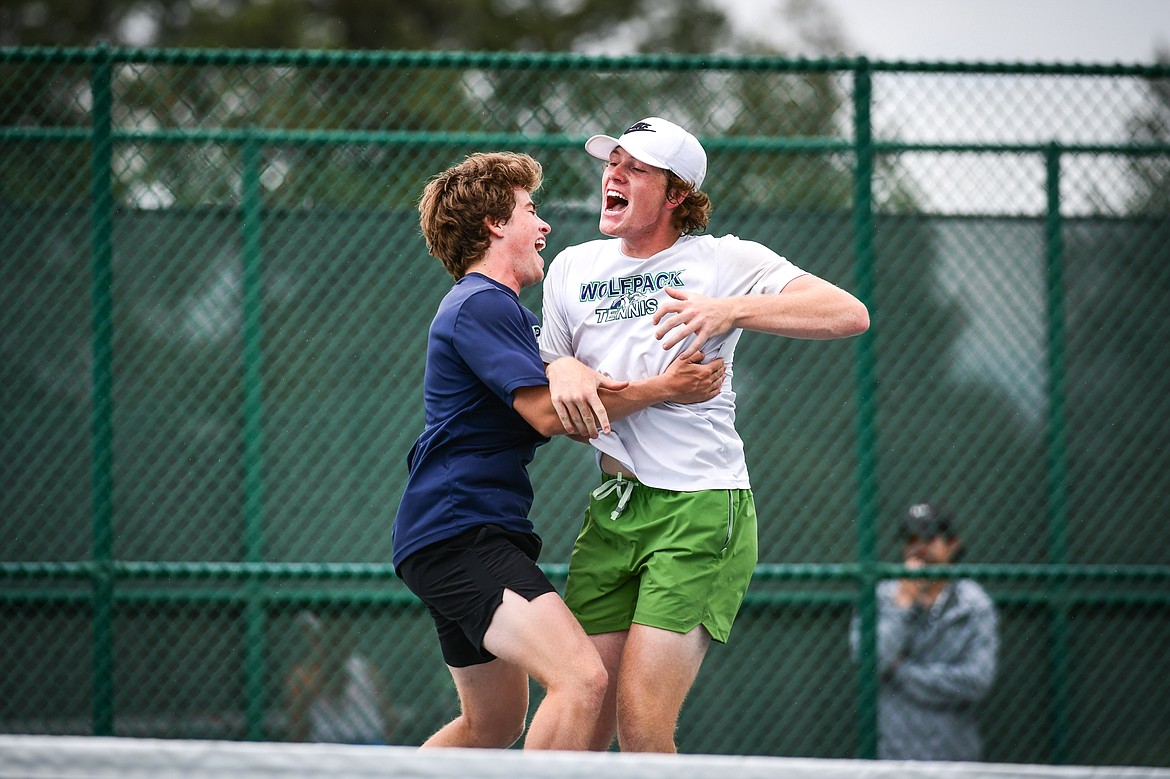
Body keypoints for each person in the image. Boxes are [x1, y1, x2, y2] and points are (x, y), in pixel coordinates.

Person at [537, 117, 870, 753]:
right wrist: (566, 365)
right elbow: (555, 377)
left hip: (700, 507)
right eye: (613, 163)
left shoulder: (722, 260)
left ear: (677, 194)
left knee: (641, 724)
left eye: (636, 168)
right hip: (614, 510)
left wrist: (730, 309)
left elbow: (847, 313)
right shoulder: (572, 269)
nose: (614, 175)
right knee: (581, 718)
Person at [392, 151, 725, 751]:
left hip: (449, 534)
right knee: (582, 680)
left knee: (489, 725)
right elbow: (550, 413)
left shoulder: (503, 313)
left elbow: (562, 383)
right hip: (462, 531)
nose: (544, 226)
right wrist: (665, 389)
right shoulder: (482, 302)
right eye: (531, 210)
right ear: (495, 224)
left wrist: (579, 368)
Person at [849, 503, 1000, 761]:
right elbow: (869, 661)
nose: (918, 549)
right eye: (910, 540)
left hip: (954, 757)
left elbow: (976, 680)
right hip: (894, 756)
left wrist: (900, 672)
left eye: (929, 539)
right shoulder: (882, 598)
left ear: (952, 544)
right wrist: (903, 604)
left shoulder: (974, 605)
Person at [286, 611, 398, 744]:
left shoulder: (365, 669)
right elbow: (296, 726)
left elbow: (388, 716)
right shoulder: (304, 675)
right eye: (319, 638)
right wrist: (307, 690)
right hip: (326, 744)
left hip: (367, 742)